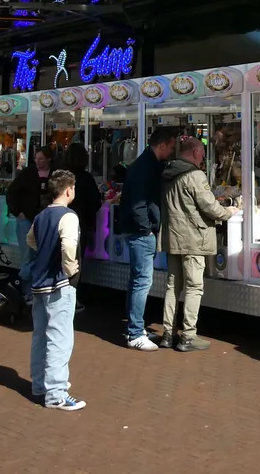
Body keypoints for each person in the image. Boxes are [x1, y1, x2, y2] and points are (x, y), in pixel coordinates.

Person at [159, 136, 239, 352]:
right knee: (194, 287)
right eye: (202, 154)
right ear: (195, 152)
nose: (203, 158)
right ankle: (188, 336)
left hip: (173, 237)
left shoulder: (168, 173)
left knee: (173, 286)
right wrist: (228, 212)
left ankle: (167, 333)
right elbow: (209, 206)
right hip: (194, 238)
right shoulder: (194, 175)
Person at [27, 170, 85, 411]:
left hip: (39, 281)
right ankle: (57, 393)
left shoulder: (41, 216)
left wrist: (45, 252)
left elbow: (31, 239)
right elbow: (69, 245)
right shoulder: (69, 216)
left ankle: (40, 384)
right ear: (69, 190)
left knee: (40, 335)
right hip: (59, 283)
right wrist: (70, 268)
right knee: (60, 338)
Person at [118, 126, 177, 351]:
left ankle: (134, 328)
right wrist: (147, 229)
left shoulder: (145, 164)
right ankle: (135, 332)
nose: (171, 152)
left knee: (137, 280)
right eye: (170, 147)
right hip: (140, 232)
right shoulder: (145, 167)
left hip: (137, 229)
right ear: (161, 145)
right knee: (142, 281)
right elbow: (138, 202)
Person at [7, 147, 54, 302]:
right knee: (27, 255)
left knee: (44, 255)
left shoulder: (56, 174)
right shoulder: (27, 173)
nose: (37, 162)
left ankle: (38, 288)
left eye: (41, 159)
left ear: (49, 159)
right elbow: (12, 192)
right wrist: (17, 212)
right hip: (27, 218)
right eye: (36, 159)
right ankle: (26, 289)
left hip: (47, 219)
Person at [68, 143, 103, 266]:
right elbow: (95, 202)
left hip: (60, 222)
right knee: (76, 262)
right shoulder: (86, 178)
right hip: (80, 224)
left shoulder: (61, 176)